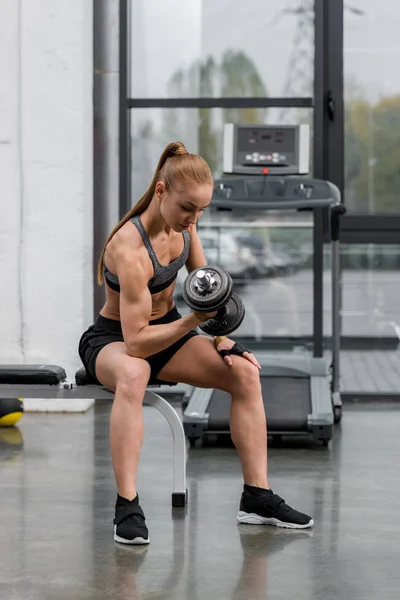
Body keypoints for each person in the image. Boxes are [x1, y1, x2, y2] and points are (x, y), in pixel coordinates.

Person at [78, 141, 314, 545]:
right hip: (115, 340)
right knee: (134, 374)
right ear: (161, 191)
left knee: (243, 371)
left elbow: (206, 290)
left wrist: (221, 337)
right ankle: (127, 505)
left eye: (201, 210)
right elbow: (136, 344)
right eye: (187, 208)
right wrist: (195, 321)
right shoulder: (129, 249)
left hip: (168, 330)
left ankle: (256, 496)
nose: (193, 218)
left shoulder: (187, 230)